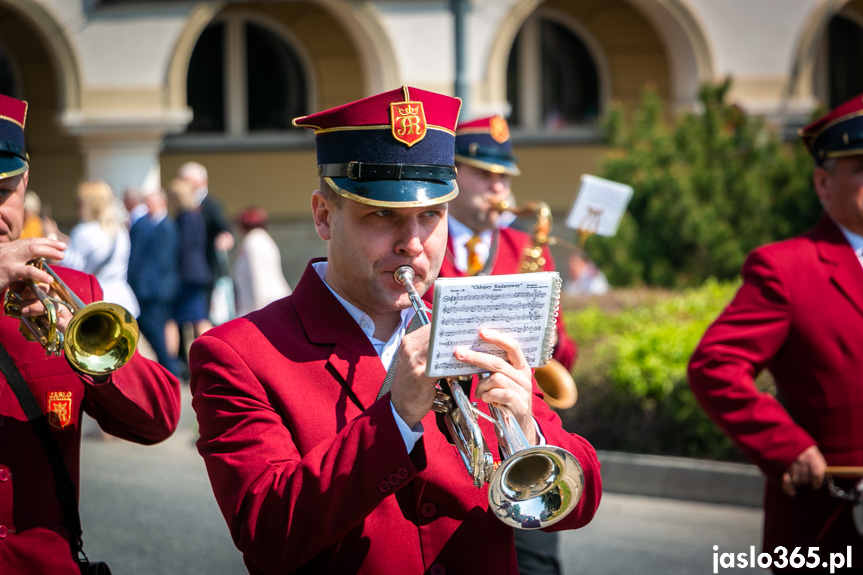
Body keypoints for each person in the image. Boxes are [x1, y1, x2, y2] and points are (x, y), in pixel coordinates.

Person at [189, 86, 602, 574]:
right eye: (382, 214)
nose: (412, 244)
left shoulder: (472, 324)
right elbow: (267, 533)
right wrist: (395, 417)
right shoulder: (237, 354)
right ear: (324, 215)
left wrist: (529, 429)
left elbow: (582, 496)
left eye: (431, 215)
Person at [0, 94, 181, 573]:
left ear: (25, 183)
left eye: (4, 190)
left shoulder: (73, 291)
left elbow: (159, 418)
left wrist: (98, 361)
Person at [688, 93, 863, 570]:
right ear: (824, 184)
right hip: (832, 519)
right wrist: (788, 447)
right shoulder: (787, 268)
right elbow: (714, 367)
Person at [429, 114, 579, 575]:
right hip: (450, 441)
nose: (499, 188)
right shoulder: (425, 247)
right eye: (485, 175)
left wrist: (549, 342)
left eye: (504, 178)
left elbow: (563, 349)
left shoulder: (523, 246)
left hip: (519, 434)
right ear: (453, 173)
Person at [43, 180, 140, 319]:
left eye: (79, 202)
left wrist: (51, 236)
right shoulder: (120, 230)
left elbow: (66, 266)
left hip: (96, 299)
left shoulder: (84, 231)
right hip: (122, 299)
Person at [128, 188, 183, 378]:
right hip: (150, 288)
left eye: (150, 202)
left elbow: (164, 261)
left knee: (156, 328)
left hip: (156, 289)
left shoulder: (167, 226)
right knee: (156, 327)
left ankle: (170, 368)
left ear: (161, 202)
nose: (147, 206)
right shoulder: (147, 224)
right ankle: (169, 367)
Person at [165, 177, 212, 361]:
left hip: (185, 274)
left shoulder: (184, 218)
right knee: (199, 316)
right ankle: (209, 356)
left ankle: (172, 364)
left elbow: (182, 248)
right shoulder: (197, 215)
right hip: (198, 271)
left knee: (177, 319)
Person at [177, 161, 234, 313]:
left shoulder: (212, 204)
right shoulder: (183, 205)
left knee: (203, 312)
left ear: (203, 182)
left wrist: (225, 237)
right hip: (188, 269)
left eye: (192, 182)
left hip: (206, 266)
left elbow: (223, 227)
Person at [233, 206, 292, 317]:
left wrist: (255, 317)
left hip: (265, 308)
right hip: (273, 304)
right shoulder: (263, 239)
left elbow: (258, 283)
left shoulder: (252, 243)